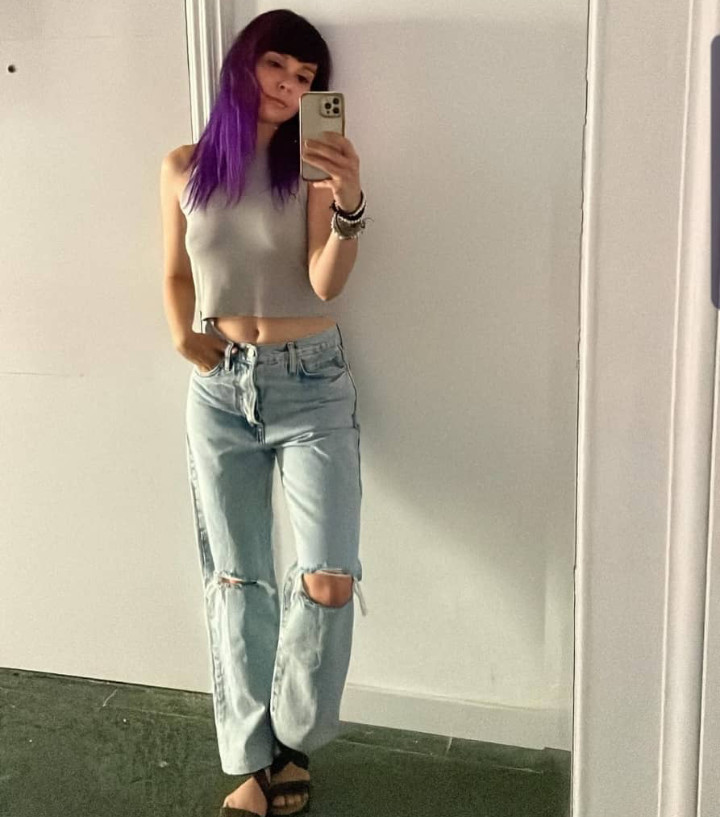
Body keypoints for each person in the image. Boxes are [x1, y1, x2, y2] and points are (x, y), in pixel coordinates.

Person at [159, 9, 369, 817]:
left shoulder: (308, 169)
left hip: (311, 381)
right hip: (220, 387)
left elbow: (324, 281)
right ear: (244, 64)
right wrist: (182, 334)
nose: (288, 85)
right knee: (237, 578)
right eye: (277, 65)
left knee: (328, 577)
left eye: (305, 77)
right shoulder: (184, 166)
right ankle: (257, 763)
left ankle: (291, 739)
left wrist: (348, 202)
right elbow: (176, 270)